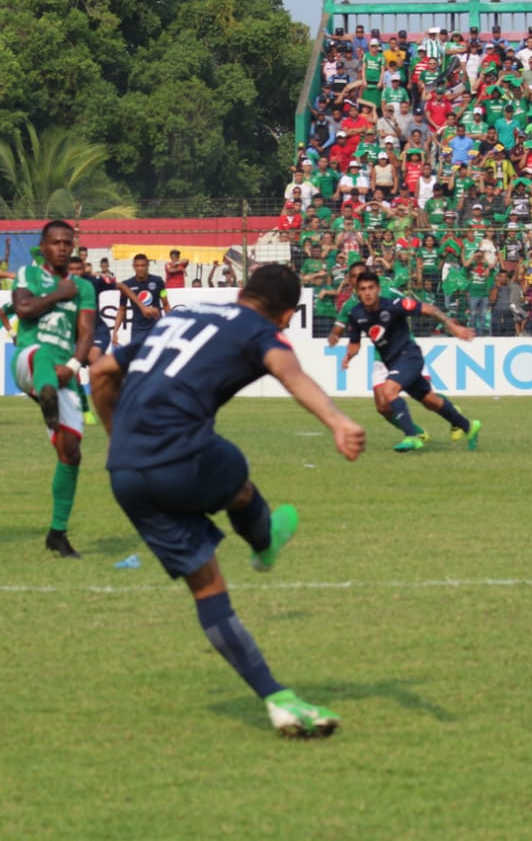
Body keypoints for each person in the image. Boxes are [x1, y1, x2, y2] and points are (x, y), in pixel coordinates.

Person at [89, 263, 366, 737]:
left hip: (126, 474)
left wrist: (118, 440)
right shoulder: (260, 330)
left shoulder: (182, 317)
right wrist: (338, 421)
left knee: (208, 587)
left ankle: (277, 700)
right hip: (180, 455)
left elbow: (101, 372)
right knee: (234, 471)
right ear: (286, 315)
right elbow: (292, 375)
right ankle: (265, 544)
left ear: (241, 291)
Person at [10, 220, 96, 558]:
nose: (62, 247)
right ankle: (47, 400)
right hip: (28, 360)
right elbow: (24, 308)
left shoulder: (84, 288)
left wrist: (73, 367)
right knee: (42, 353)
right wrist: (60, 294)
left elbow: (86, 332)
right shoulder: (27, 276)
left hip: (64, 372)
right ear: (43, 247)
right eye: (56, 242)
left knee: (71, 452)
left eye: (67, 243)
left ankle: (57, 534)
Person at [342, 271, 482, 448]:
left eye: (371, 288)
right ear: (357, 292)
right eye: (363, 289)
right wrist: (348, 356)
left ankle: (412, 436)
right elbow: (354, 343)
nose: (367, 292)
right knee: (431, 401)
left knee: (389, 391)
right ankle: (469, 426)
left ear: (378, 289)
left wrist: (452, 326)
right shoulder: (356, 314)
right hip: (392, 362)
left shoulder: (393, 305)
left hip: (409, 356)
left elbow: (429, 309)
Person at [112, 253, 169, 346]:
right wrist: (115, 331)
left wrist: (170, 323)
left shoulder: (158, 281)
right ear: (133, 267)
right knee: (136, 358)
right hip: (138, 329)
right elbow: (122, 310)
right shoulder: (127, 285)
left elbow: (166, 304)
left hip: (156, 326)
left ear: (147, 266)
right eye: (137, 266)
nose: (140, 268)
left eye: (143, 265)